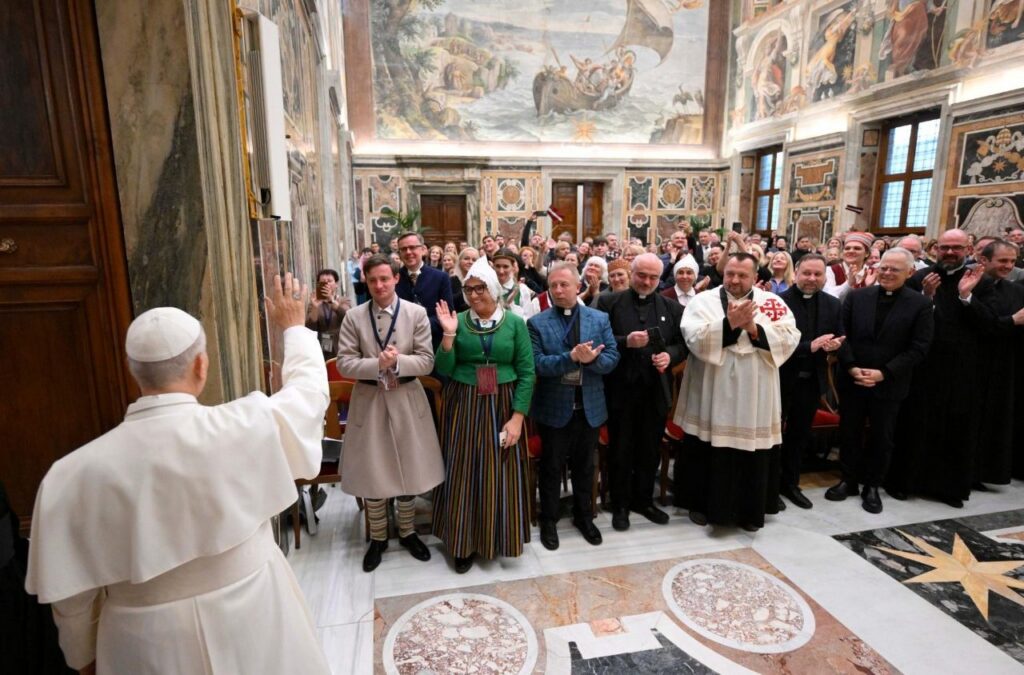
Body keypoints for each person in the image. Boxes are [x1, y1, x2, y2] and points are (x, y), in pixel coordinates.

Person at [26, 275, 331, 674]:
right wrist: (294, 329)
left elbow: (72, 600)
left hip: (141, 643)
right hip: (255, 615)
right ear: (201, 366)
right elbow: (308, 396)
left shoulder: (67, 477)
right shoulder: (246, 423)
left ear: (134, 372)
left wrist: (82, 656)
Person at [675, 253, 800, 531]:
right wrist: (728, 325)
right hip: (713, 386)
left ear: (755, 277)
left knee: (752, 450)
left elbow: (790, 337)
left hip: (756, 390)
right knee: (707, 447)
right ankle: (702, 505)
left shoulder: (771, 303)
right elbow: (692, 337)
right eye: (730, 273)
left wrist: (754, 329)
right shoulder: (703, 301)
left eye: (742, 275)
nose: (734, 280)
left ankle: (749, 512)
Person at [336, 255, 445, 572]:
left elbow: (426, 361)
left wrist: (397, 363)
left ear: (396, 278)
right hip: (370, 400)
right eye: (373, 280)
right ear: (366, 282)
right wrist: (377, 364)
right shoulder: (354, 317)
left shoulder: (416, 313)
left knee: (410, 468)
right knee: (374, 470)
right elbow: (344, 364)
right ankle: (378, 537)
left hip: (407, 398)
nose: (379, 285)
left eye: (385, 278)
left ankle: (408, 531)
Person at [432, 258, 536, 574]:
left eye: (480, 288)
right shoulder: (459, 320)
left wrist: (517, 418)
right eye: (469, 289)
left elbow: (527, 372)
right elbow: (443, 368)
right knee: (462, 470)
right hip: (463, 402)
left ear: (493, 288)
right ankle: (462, 543)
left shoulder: (515, 323)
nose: (474, 295)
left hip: (503, 402)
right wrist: (448, 336)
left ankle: (498, 538)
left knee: (499, 472)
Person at [826, 249, 933, 514]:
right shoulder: (857, 297)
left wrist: (884, 373)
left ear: (910, 272)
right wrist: (851, 367)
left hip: (889, 383)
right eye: (883, 267)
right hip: (853, 379)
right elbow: (841, 334)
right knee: (849, 432)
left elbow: (919, 347)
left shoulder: (920, 304)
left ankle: (872, 486)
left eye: (894, 269)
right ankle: (848, 480)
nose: (887, 273)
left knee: (882, 437)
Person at [890, 229, 987, 507]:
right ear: (935, 249)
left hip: (962, 369)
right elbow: (902, 320)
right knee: (914, 425)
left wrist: (966, 296)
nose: (950, 252)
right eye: (944, 247)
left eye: (956, 247)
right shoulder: (920, 278)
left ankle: (949, 488)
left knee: (955, 428)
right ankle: (905, 483)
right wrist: (926, 297)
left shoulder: (980, 280)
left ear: (968, 249)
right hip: (923, 367)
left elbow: (989, 323)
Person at [528, 263, 620, 550]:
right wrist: (570, 358)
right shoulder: (537, 323)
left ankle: (584, 516)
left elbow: (612, 358)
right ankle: (549, 519)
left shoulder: (599, 318)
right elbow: (538, 364)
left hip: (589, 406)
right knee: (552, 467)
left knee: (585, 466)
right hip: (554, 408)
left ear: (578, 287)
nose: (558, 290)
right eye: (553, 286)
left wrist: (593, 360)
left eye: (564, 285)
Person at [597, 254, 687, 530]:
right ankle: (620, 504)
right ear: (631, 273)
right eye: (641, 275)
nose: (647, 282)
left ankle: (644, 500)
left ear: (660, 278)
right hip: (620, 389)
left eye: (653, 277)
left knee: (649, 449)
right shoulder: (609, 303)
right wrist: (625, 341)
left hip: (655, 390)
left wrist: (669, 356)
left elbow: (682, 345)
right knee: (621, 449)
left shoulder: (672, 307)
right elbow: (597, 339)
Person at [778, 254, 845, 509]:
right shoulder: (778, 302)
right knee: (773, 436)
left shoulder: (832, 304)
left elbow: (840, 334)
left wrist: (836, 344)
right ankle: (770, 486)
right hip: (780, 378)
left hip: (811, 381)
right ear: (796, 272)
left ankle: (791, 484)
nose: (812, 279)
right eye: (807, 273)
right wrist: (810, 346)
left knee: (799, 435)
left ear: (825, 277)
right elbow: (772, 343)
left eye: (818, 274)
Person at [974, 240, 1024, 484]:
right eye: (1003, 260)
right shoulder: (970, 285)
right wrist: (1010, 322)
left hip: (1004, 364)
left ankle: (987, 472)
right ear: (984, 260)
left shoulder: (1016, 290)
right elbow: (978, 323)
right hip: (973, 363)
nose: (1008, 266)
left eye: (1012, 261)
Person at [395, 231, 455, 349]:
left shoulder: (440, 277)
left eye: (412, 247)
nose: (408, 252)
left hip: (432, 342)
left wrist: (420, 325)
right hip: (400, 345)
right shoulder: (394, 278)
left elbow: (447, 312)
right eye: (403, 249)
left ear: (423, 250)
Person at [306, 268, 348, 360]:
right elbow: (310, 328)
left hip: (341, 344)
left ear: (336, 284)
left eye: (329, 281)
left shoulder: (344, 300)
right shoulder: (314, 303)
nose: (326, 284)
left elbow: (347, 317)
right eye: (323, 282)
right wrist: (315, 307)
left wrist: (331, 300)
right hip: (321, 345)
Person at [825, 232, 876, 300]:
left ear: (867, 253)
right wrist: (848, 284)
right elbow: (829, 296)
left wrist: (868, 288)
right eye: (847, 248)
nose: (851, 251)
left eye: (857, 248)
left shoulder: (873, 272)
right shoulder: (830, 270)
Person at [492, 248, 534, 316]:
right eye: (497, 266)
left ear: (513, 267)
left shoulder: (522, 290)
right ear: (493, 266)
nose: (501, 271)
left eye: (505, 267)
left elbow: (528, 317)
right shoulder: (487, 288)